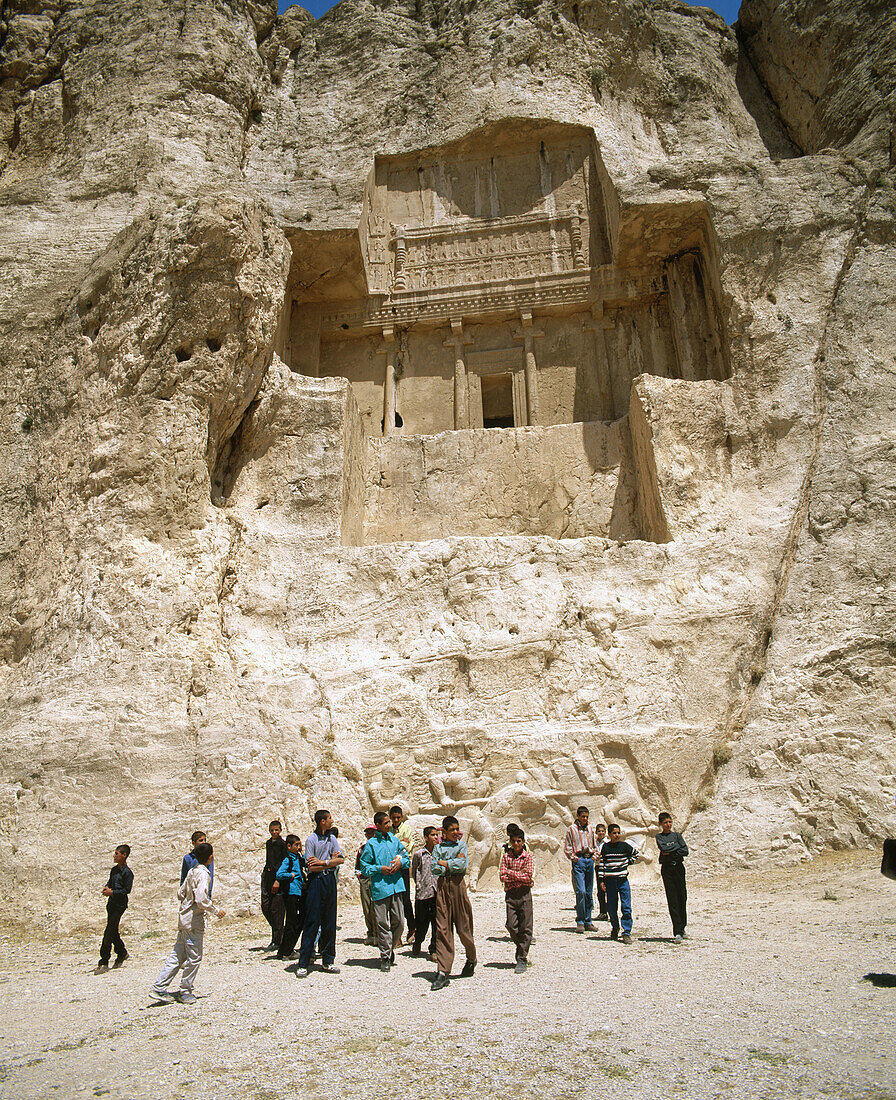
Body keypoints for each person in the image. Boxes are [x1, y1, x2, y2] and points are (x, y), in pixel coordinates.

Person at [150, 842, 225, 1004]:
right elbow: (201, 899)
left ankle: (159, 987)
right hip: (194, 922)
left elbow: (180, 893)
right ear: (210, 856)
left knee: (177, 955)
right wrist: (215, 910)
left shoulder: (192, 871)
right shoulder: (204, 875)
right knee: (194, 957)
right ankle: (185, 991)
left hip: (183, 918)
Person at [430, 815, 477, 990]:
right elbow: (435, 868)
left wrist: (446, 863)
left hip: (458, 886)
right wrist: (452, 863)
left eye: (457, 829)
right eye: (452, 830)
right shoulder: (438, 848)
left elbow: (462, 866)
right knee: (442, 929)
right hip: (443, 888)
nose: (456, 833)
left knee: (464, 927)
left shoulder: (462, 845)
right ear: (444, 831)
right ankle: (443, 971)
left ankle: (471, 958)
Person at [295, 810, 344, 977]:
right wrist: (330, 862)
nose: (332, 821)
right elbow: (310, 867)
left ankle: (328, 960)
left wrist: (324, 862)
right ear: (322, 821)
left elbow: (341, 859)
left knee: (329, 921)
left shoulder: (332, 838)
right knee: (312, 921)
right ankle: (304, 962)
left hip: (329, 881)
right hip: (316, 881)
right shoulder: (311, 840)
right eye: (329, 818)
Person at [360, 811, 410, 972]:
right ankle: (385, 956)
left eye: (390, 822)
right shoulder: (371, 845)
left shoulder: (395, 841)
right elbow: (364, 867)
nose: (390, 825)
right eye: (386, 823)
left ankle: (389, 948)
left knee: (400, 923)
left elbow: (406, 858)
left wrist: (400, 863)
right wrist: (380, 868)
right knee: (382, 923)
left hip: (396, 886)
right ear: (378, 825)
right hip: (380, 888)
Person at [597, 824, 639, 944]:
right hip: (610, 882)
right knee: (611, 907)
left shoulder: (624, 846)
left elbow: (636, 854)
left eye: (618, 833)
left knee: (626, 906)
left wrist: (626, 863)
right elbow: (602, 864)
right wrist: (601, 880)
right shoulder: (605, 847)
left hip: (622, 880)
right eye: (614, 833)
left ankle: (626, 932)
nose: (617, 835)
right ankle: (615, 927)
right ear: (609, 835)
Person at [499, 829, 534, 974]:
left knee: (526, 927)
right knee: (511, 925)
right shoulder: (506, 857)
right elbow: (502, 876)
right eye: (513, 841)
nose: (516, 844)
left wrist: (511, 874)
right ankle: (521, 947)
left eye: (519, 841)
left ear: (523, 842)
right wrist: (519, 875)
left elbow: (529, 876)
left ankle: (522, 958)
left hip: (524, 894)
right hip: (511, 895)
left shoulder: (528, 857)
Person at [94, 845, 133, 974]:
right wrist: (107, 888)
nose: (114, 856)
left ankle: (103, 961)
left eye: (117, 854)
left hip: (120, 905)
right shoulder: (114, 871)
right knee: (113, 931)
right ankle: (122, 952)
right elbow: (110, 882)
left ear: (124, 855)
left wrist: (113, 892)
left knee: (108, 933)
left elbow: (126, 890)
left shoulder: (128, 873)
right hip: (111, 904)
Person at [655, 812, 689, 942]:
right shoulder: (659, 837)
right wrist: (676, 848)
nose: (668, 825)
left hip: (679, 868)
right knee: (673, 899)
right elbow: (663, 849)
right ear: (660, 824)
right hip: (667, 869)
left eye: (669, 822)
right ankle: (677, 931)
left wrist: (671, 850)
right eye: (665, 823)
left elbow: (685, 851)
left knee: (682, 897)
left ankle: (683, 927)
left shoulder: (677, 835)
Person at [564, 806, 598, 931]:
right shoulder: (571, 829)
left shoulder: (590, 828)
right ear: (578, 816)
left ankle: (588, 921)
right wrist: (574, 858)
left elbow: (594, 844)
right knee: (581, 891)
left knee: (589, 892)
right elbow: (568, 846)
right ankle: (580, 920)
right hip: (579, 860)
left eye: (586, 817)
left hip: (589, 860)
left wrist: (594, 856)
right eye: (583, 816)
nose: (585, 819)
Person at [410, 826, 439, 958]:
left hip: (437, 892)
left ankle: (434, 949)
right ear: (426, 838)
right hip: (423, 893)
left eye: (436, 835)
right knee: (421, 922)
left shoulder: (440, 853)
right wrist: (420, 885)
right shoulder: (419, 854)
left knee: (436, 923)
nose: (435, 837)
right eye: (433, 835)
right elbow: (415, 870)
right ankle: (418, 941)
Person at [275, 834, 305, 960]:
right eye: (296, 845)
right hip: (291, 893)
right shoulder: (288, 859)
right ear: (289, 846)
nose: (298, 847)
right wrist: (291, 875)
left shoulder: (297, 857)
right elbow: (279, 874)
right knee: (291, 923)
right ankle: (285, 951)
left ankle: (286, 949)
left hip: (297, 892)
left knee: (297, 921)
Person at [389, 805, 416, 943]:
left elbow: (407, 846)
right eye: (393, 818)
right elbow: (400, 845)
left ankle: (412, 928)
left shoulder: (406, 828)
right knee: (392, 900)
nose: (396, 820)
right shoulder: (388, 830)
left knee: (405, 898)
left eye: (398, 817)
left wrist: (395, 844)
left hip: (402, 867)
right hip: (390, 867)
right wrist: (400, 842)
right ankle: (396, 934)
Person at [261, 820, 287, 951]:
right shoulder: (268, 843)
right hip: (268, 876)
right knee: (266, 907)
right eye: (272, 830)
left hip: (278, 878)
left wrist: (278, 879)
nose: (274, 832)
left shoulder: (283, 844)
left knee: (276, 909)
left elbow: (284, 862)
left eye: (276, 830)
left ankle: (277, 940)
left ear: (280, 830)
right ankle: (279, 931)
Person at [355, 824, 378, 946]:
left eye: (372, 832)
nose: (370, 835)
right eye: (368, 833)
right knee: (367, 907)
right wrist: (360, 877)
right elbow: (357, 865)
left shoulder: (379, 847)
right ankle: (370, 933)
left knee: (377, 907)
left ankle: (377, 933)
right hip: (365, 879)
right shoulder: (362, 849)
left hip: (376, 878)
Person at [181, 830, 213, 895]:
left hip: (203, 889)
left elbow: (210, 874)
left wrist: (208, 893)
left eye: (204, 840)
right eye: (201, 840)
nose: (203, 842)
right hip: (190, 892)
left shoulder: (208, 856)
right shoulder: (187, 858)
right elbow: (184, 877)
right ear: (194, 843)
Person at [594, 822, 609, 921]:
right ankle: (603, 912)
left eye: (603, 831)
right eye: (599, 831)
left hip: (607, 867)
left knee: (609, 889)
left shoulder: (607, 843)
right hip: (598, 866)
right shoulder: (593, 842)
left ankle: (610, 911)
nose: (601, 833)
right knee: (600, 890)